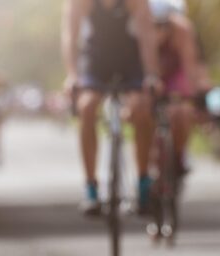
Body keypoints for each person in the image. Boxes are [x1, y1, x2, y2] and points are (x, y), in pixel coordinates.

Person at [61, 0, 162, 215]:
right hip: (95, 59)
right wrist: (72, 74)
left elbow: (146, 35)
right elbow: (70, 35)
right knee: (87, 107)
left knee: (141, 108)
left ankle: (143, 181)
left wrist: (152, 74)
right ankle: (91, 188)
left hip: (129, 58)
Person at [149, 0, 202, 175]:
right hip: (151, 74)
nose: (159, 29)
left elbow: (189, 65)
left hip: (175, 74)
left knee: (182, 112)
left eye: (163, 25)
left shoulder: (182, 30)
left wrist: (193, 93)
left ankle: (179, 155)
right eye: (155, 24)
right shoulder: (141, 27)